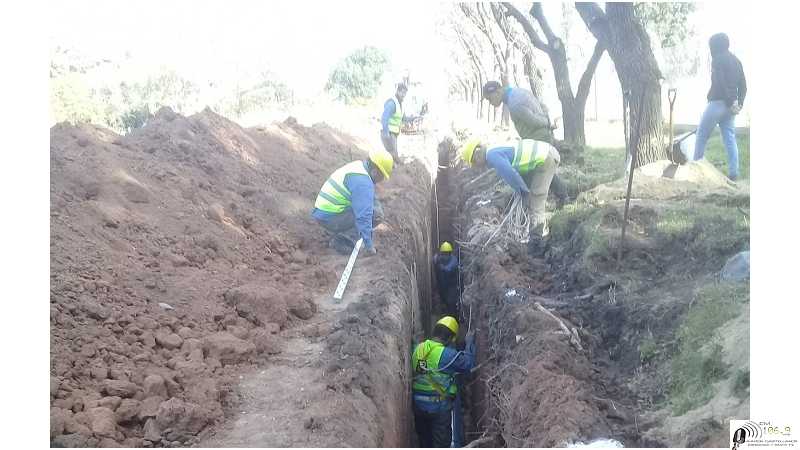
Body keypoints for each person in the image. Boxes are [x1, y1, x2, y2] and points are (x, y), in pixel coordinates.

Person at [461, 137, 560, 252]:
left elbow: (509, 173)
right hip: (545, 155)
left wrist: (523, 191)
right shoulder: (493, 150)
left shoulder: (492, 156)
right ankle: (564, 197)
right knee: (535, 189)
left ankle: (537, 241)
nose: (477, 166)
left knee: (535, 200)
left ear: (477, 154)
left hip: (546, 157)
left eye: (474, 162)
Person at [482, 81, 568, 206]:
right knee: (541, 169)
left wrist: (548, 124)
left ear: (498, 91)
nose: (491, 103)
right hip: (540, 134)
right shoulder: (518, 92)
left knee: (538, 169)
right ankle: (559, 196)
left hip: (538, 136)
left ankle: (556, 198)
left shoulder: (514, 103)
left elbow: (533, 121)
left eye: (490, 99)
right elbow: (541, 106)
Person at [311, 149, 394, 256]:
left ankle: (340, 231)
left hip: (325, 212)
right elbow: (364, 216)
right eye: (382, 176)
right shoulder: (363, 183)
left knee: (374, 210)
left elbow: (371, 197)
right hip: (330, 217)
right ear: (375, 171)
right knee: (376, 215)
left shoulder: (359, 168)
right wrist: (368, 246)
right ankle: (342, 240)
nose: (381, 180)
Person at [412, 316, 476, 448]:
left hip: (418, 406)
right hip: (438, 407)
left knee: (424, 442)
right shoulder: (446, 354)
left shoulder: (418, 348)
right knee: (441, 443)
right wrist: (469, 343)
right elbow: (467, 364)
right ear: (450, 338)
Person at [692, 32, 747, 181]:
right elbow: (744, 86)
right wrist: (739, 103)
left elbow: (719, 81)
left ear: (715, 45)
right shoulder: (737, 61)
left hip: (717, 103)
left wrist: (729, 101)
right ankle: (734, 173)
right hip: (732, 107)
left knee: (701, 135)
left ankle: (695, 171)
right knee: (730, 138)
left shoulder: (717, 60)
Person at [381, 83, 409, 163]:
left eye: (405, 93)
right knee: (392, 156)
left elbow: (404, 118)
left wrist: (413, 119)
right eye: (402, 92)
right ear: (397, 91)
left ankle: (394, 166)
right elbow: (384, 118)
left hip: (394, 134)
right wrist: (386, 132)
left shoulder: (400, 104)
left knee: (394, 156)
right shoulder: (392, 103)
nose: (404, 95)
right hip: (388, 133)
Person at [433, 242, 459, 316]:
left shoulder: (454, 260)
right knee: (444, 299)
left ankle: (453, 315)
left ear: (450, 253)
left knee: (451, 302)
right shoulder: (441, 259)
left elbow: (448, 269)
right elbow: (436, 259)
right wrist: (435, 259)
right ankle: (445, 312)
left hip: (452, 286)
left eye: (446, 253)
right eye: (443, 254)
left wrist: (441, 266)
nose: (444, 256)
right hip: (443, 285)